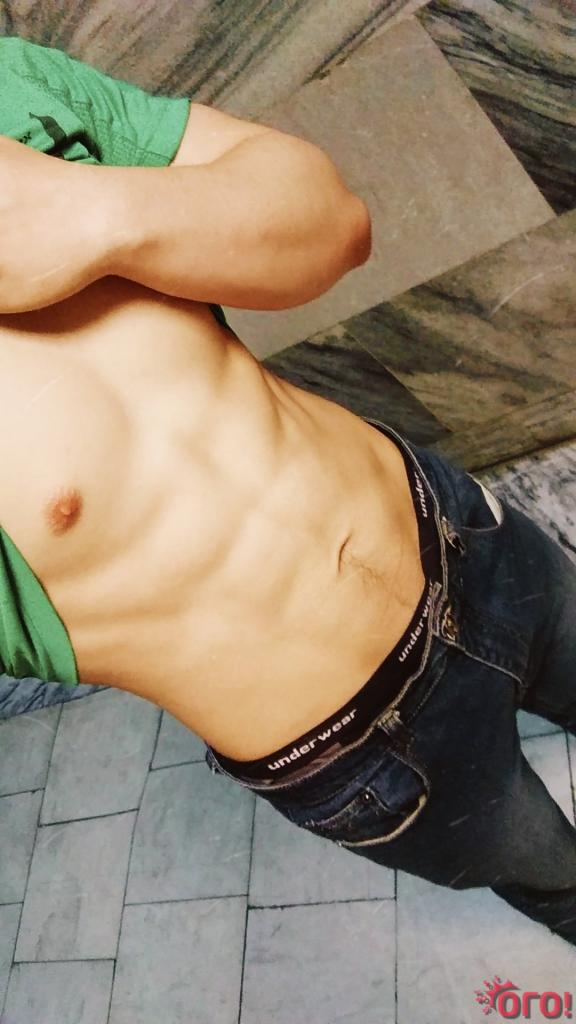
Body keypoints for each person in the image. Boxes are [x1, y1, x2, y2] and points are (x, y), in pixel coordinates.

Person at [1, 36, 575, 949]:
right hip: (372, 751)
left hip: (470, 536)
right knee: (561, 883)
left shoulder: (7, 88)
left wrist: (95, 214)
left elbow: (335, 223)